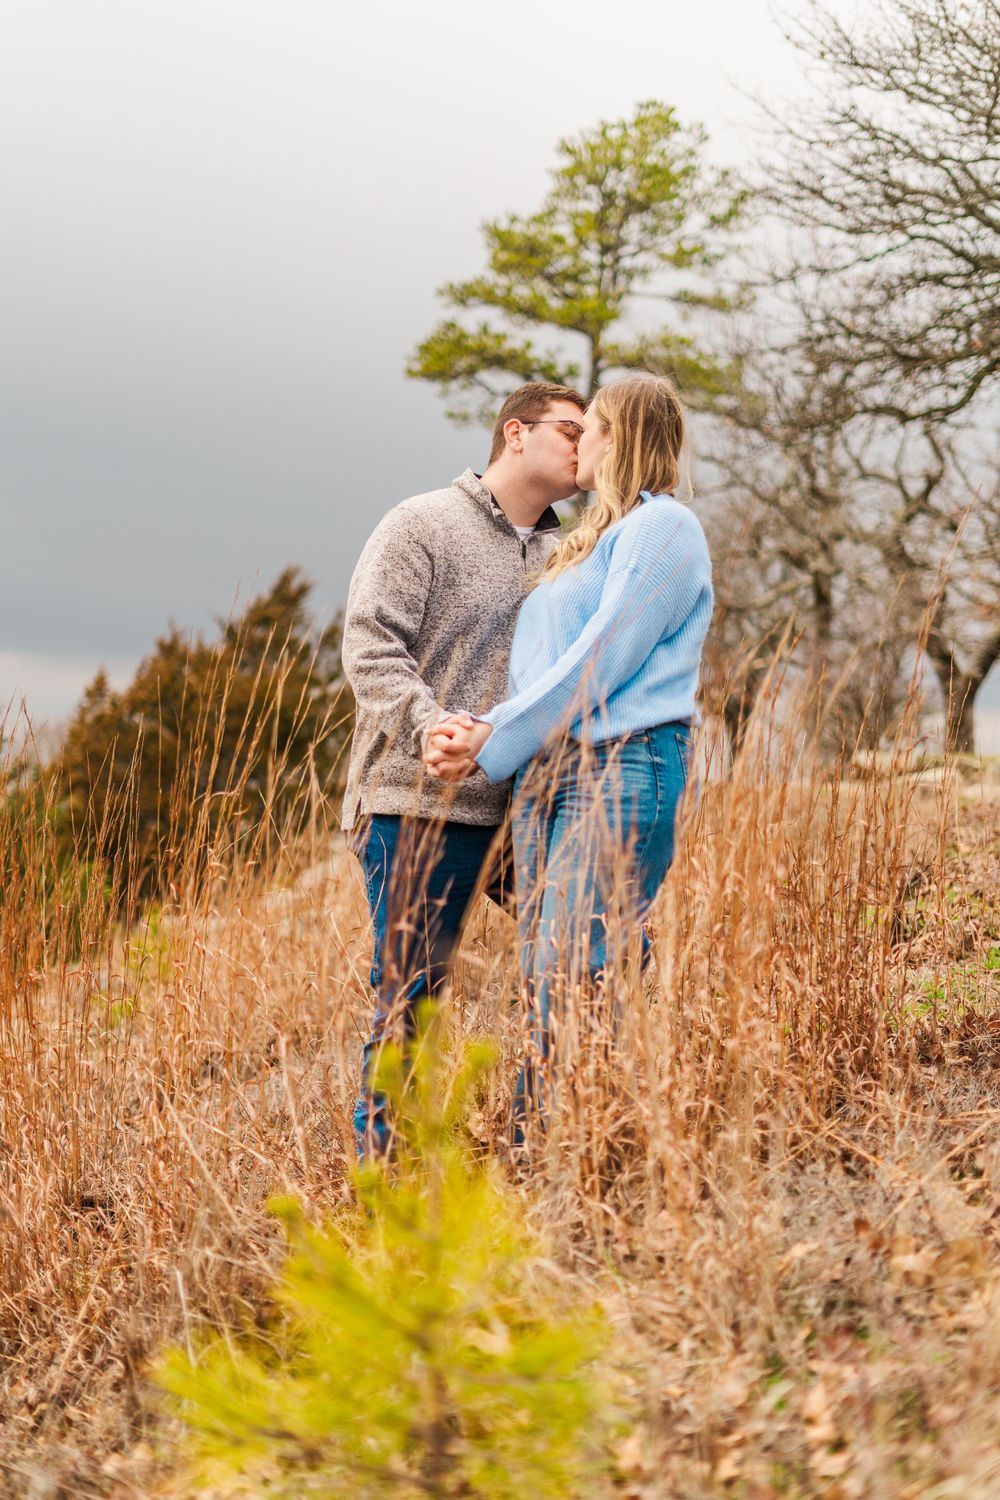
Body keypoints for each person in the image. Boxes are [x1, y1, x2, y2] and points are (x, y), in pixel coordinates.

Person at [425, 375, 713, 1137]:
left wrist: (494, 742)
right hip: (547, 775)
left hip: (620, 766)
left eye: (591, 430)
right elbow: (545, 670)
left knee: (566, 976)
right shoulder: (588, 543)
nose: (577, 441)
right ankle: (569, 1151)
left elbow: (600, 657)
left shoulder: (666, 528)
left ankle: (546, 1165)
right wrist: (482, 728)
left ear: (620, 439)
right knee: (550, 974)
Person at [341, 381, 587, 1156]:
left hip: (524, 813)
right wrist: (429, 727)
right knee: (413, 1000)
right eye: (569, 430)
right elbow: (372, 646)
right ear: (516, 433)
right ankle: (381, 1187)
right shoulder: (422, 523)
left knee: (594, 946)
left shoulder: (567, 553)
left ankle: (532, 1142)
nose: (585, 447)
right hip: (415, 804)